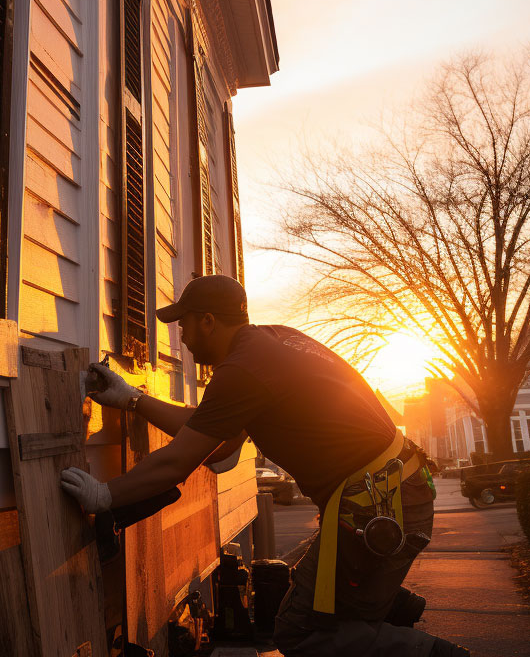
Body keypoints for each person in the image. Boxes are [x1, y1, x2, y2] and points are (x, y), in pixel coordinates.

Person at [60, 275, 470, 657]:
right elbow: (216, 442)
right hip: (395, 492)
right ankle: (387, 605)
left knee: (301, 630)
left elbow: (177, 462)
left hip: (378, 506)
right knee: (324, 609)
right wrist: (133, 399)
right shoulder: (272, 343)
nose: (181, 336)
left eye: (183, 325)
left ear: (208, 321)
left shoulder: (243, 369)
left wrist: (105, 494)